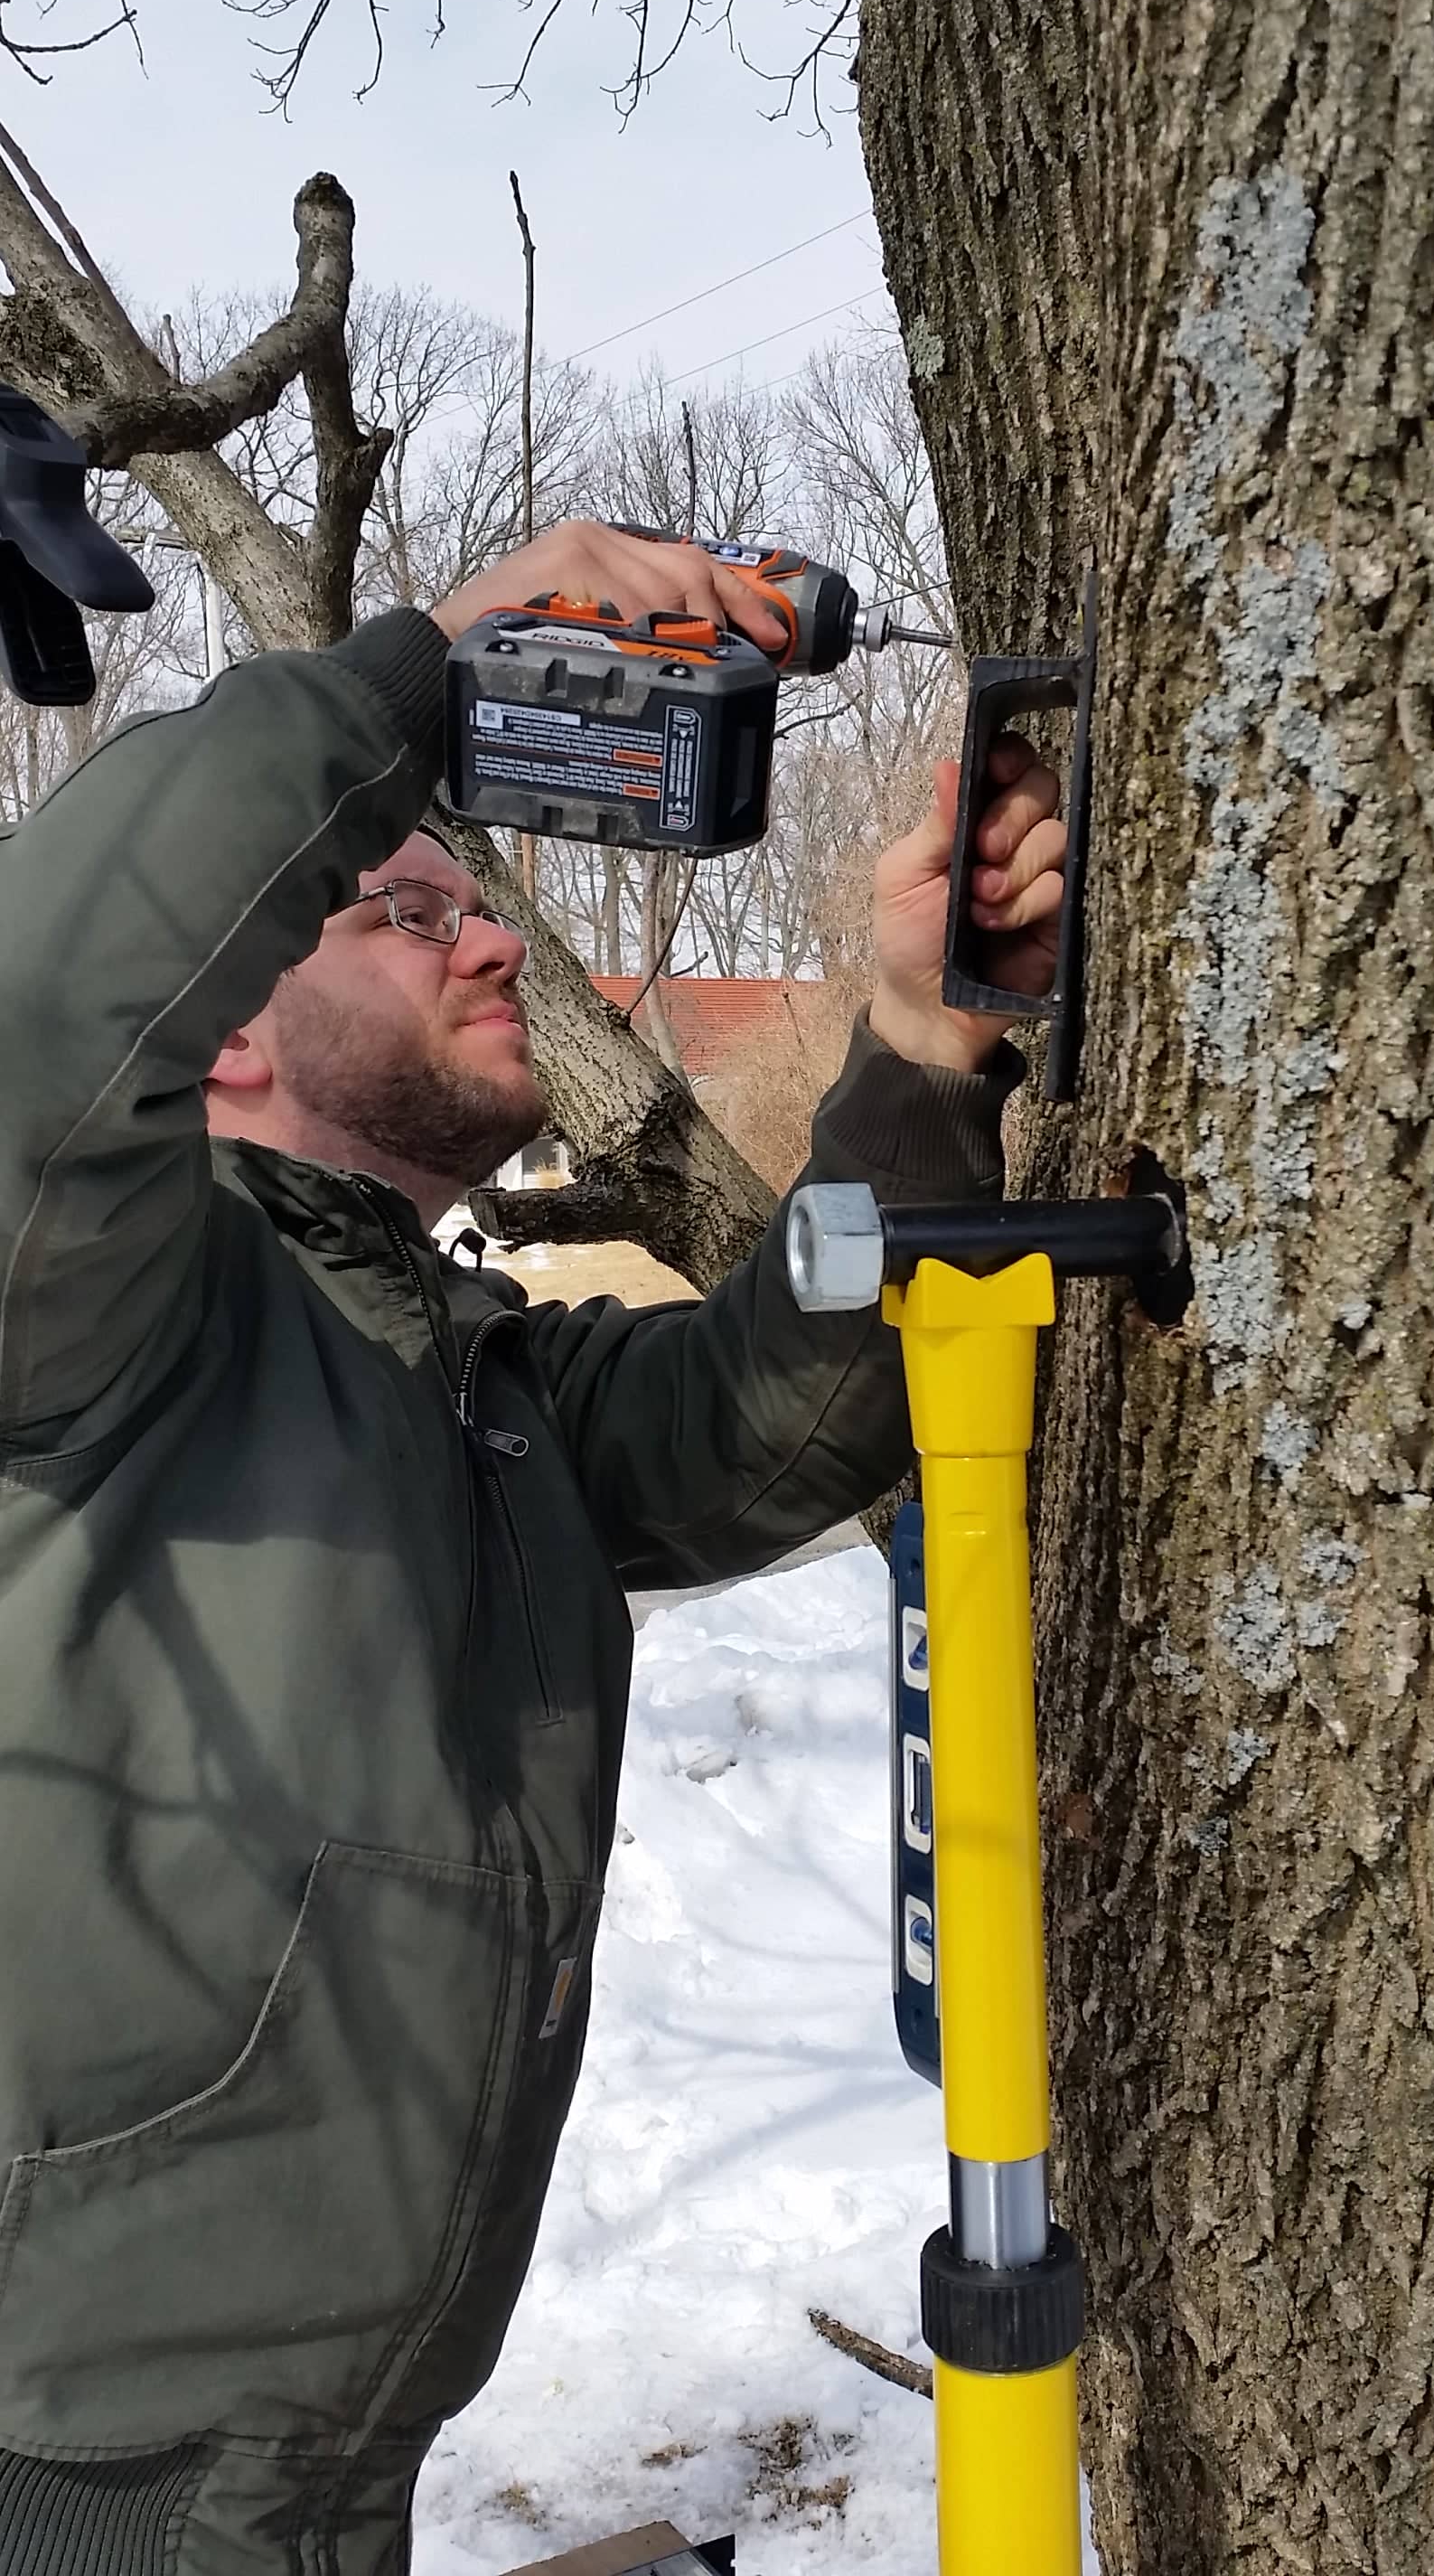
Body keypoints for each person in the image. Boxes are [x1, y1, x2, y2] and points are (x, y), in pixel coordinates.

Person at [0, 522, 1066, 2575]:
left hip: (322, 2482)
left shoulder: (462, 1374)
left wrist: (920, 1047)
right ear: (225, 1023)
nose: (493, 940)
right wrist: (426, 682)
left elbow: (774, 1425)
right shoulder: (94, 1317)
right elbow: (48, 1008)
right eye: (405, 913)